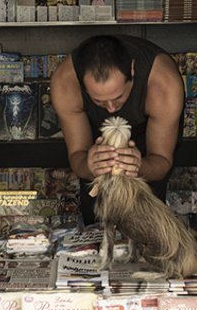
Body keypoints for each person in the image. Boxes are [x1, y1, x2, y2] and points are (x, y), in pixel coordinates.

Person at [51, 35, 184, 225]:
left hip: (146, 129)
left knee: (149, 211)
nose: (111, 108)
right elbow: (77, 155)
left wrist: (139, 166)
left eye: (118, 97)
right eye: (99, 101)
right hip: (95, 130)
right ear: (82, 84)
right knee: (95, 211)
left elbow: (162, 161)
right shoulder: (65, 82)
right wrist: (89, 166)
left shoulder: (163, 83)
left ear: (132, 70)